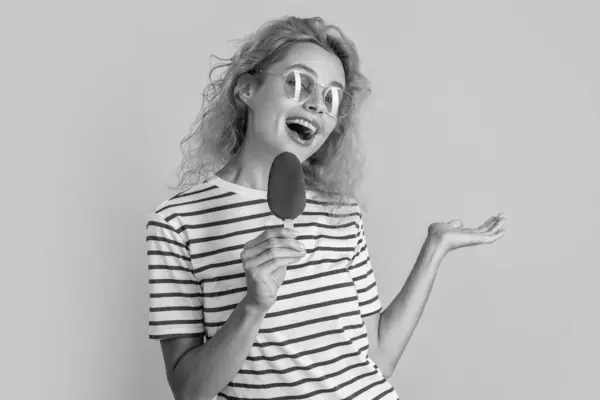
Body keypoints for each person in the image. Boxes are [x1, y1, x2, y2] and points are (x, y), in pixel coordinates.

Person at [146, 16, 507, 400]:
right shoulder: (177, 223)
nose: (317, 104)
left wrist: (435, 248)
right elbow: (189, 392)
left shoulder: (341, 213)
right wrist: (253, 305)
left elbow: (378, 359)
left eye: (332, 98)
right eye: (299, 83)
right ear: (246, 89)